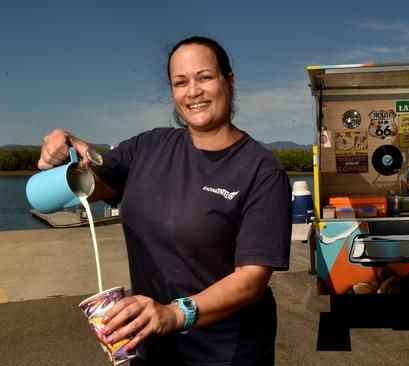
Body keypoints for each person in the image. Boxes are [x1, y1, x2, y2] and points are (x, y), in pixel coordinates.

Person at [37, 36, 292, 365]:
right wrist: (64, 151)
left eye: (205, 77)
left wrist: (175, 314)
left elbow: (251, 279)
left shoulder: (261, 171)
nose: (193, 91)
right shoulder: (147, 147)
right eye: (180, 82)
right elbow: (90, 183)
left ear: (229, 82)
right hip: (152, 345)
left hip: (226, 353)